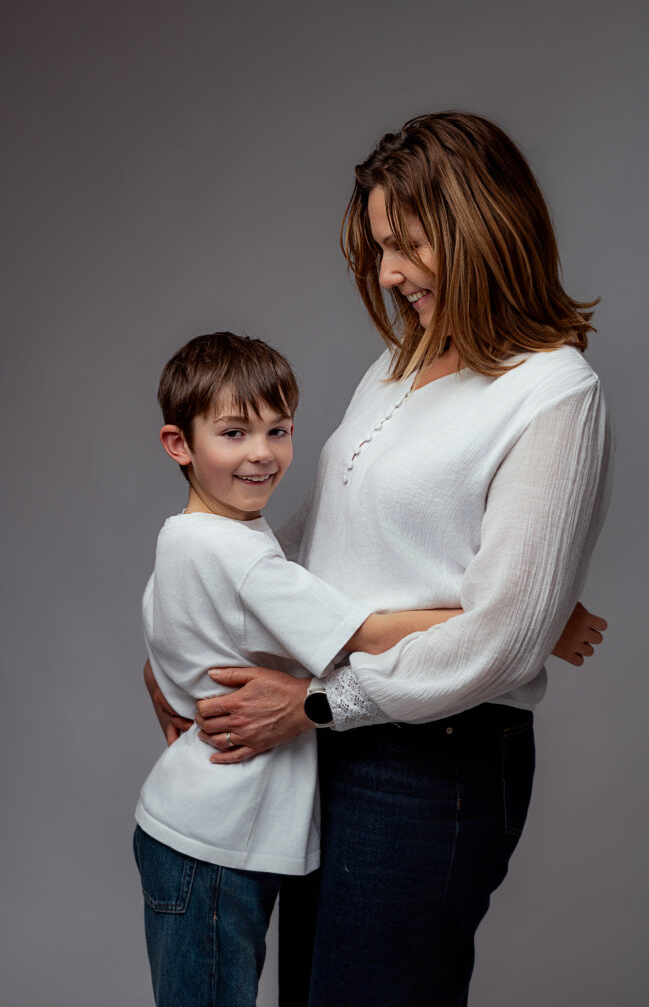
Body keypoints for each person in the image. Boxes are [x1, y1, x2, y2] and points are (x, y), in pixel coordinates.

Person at [146, 112, 613, 1006]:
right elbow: (307, 547)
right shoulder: (398, 363)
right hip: (330, 741)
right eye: (380, 247)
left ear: (481, 226)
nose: (388, 272)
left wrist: (316, 703)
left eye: (406, 244)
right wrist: (182, 636)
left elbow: (504, 640)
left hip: (431, 758)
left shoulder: (556, 394)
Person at [134, 330, 481, 1007]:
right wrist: (506, 615)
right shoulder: (238, 555)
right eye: (233, 433)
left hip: (201, 831)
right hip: (214, 842)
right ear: (179, 444)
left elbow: (164, 634)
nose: (262, 453)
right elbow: (366, 635)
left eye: (279, 429)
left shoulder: (188, 535)